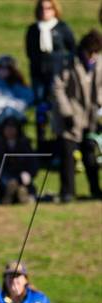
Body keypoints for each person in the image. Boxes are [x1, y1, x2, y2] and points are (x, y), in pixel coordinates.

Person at [51, 29, 102, 202]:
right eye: (90, 53)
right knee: (67, 155)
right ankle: (67, 192)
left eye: (96, 53)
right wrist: (66, 112)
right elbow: (58, 88)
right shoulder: (68, 62)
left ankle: (95, 190)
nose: (92, 56)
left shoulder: (99, 62)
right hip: (70, 115)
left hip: (90, 116)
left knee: (89, 154)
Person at [25, 0, 75, 149]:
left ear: (55, 9)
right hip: (39, 76)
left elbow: (72, 48)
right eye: (42, 8)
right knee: (41, 108)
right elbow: (29, 52)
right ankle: (41, 142)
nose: (44, 11)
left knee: (56, 109)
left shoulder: (62, 28)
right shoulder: (33, 29)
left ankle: (59, 143)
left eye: (48, 8)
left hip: (57, 76)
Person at [0, 115, 39, 204]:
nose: (10, 131)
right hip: (3, 178)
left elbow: (33, 163)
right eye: (7, 128)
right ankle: (11, 195)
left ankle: (20, 193)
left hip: (21, 177)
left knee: (21, 186)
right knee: (8, 184)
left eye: (12, 128)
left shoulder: (25, 144)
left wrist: (29, 173)